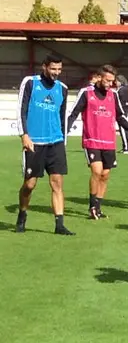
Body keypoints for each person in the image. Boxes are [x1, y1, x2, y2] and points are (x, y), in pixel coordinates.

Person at [66, 65, 128, 220]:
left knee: (105, 175)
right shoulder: (86, 93)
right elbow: (73, 113)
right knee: (97, 171)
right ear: (99, 77)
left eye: (112, 81)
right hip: (91, 140)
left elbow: (120, 117)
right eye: (107, 80)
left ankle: (98, 207)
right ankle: (92, 206)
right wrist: (63, 132)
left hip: (109, 141)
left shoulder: (113, 95)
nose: (109, 84)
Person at [15, 54, 74, 235]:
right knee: (30, 185)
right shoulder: (30, 83)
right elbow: (21, 110)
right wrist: (24, 135)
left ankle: (59, 224)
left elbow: (63, 118)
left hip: (55, 143)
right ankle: (22, 214)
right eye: (53, 69)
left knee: (57, 183)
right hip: (35, 142)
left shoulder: (62, 89)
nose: (56, 72)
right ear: (44, 67)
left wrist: (63, 142)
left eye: (59, 69)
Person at [115, 74, 128, 154]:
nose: (115, 82)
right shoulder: (124, 89)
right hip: (124, 110)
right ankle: (126, 147)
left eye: (117, 81)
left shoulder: (122, 90)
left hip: (122, 111)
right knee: (124, 128)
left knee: (122, 128)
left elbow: (121, 101)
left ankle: (126, 148)